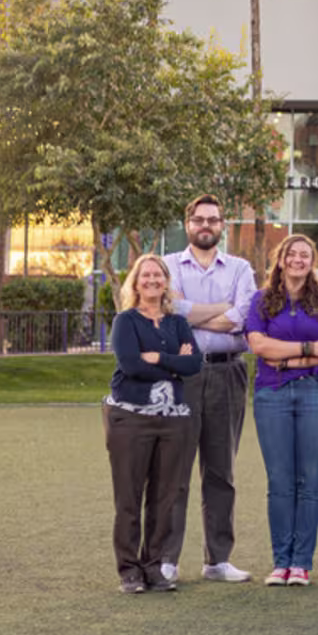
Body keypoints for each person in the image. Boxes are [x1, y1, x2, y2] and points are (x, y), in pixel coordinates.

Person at [160, 194, 256, 584]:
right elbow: (171, 313)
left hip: (227, 374)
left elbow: (244, 316)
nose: (205, 225)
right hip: (180, 376)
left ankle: (217, 559)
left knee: (221, 470)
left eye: (213, 220)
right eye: (199, 219)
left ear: (222, 226)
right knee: (175, 470)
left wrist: (191, 311)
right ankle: (167, 558)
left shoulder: (240, 268)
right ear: (187, 224)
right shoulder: (167, 266)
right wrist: (221, 309)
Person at [241, 234, 318, 587]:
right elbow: (258, 345)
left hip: (316, 391)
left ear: (312, 261)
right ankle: (280, 562)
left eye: (306, 254)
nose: (299, 260)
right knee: (280, 481)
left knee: (310, 480)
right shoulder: (262, 299)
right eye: (292, 254)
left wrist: (285, 353)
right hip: (273, 393)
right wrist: (306, 348)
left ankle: (301, 563)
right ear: (281, 259)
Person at [104, 254, 202, 593]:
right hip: (130, 419)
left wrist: (160, 357)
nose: (152, 281)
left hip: (174, 420)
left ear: (166, 282)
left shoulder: (177, 323)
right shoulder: (126, 321)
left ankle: (154, 566)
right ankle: (129, 570)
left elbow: (195, 365)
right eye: (145, 275)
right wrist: (177, 362)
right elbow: (131, 365)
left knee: (165, 496)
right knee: (129, 496)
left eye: (158, 275)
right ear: (136, 282)